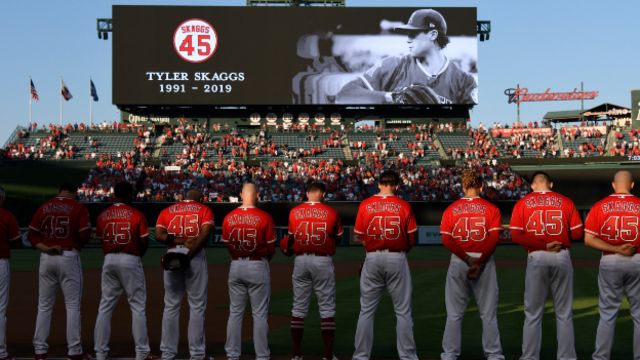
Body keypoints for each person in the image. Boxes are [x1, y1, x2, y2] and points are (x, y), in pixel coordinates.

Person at [509, 171, 583, 360]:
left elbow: (516, 235)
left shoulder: (522, 202)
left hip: (537, 256)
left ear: (533, 185)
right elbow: (577, 233)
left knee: (533, 313)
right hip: (561, 256)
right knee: (564, 312)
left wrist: (542, 244)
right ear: (551, 184)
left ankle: (529, 357)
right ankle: (567, 357)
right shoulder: (566, 201)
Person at [337, 9, 477, 105]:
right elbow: (343, 95)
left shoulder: (464, 80)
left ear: (433, 35)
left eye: (413, 34)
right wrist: (391, 97)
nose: (408, 39)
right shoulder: (395, 64)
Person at [352, 170, 419, 360]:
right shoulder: (403, 205)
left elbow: (361, 236)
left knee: (366, 310)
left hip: (372, 257)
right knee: (403, 311)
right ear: (396, 185)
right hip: (397, 257)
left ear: (379, 183)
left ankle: (361, 356)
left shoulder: (366, 205)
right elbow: (412, 238)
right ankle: (408, 357)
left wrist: (370, 253)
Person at [439, 170, 505, 360]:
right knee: (488, 314)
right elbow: (493, 240)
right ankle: (494, 355)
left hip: (459, 262)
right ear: (481, 186)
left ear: (463, 186)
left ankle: (449, 355)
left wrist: (467, 259)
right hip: (484, 261)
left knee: (454, 314)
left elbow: (447, 240)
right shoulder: (491, 209)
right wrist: (480, 261)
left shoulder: (451, 209)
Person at [28, 183, 92, 360]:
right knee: (72, 306)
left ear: (59, 192)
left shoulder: (44, 207)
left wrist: (47, 249)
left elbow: (32, 236)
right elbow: (85, 235)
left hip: (47, 257)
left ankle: (39, 350)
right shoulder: (78, 207)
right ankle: (74, 350)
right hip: (68, 256)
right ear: (73, 192)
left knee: (44, 305)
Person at [94, 182, 157, 360]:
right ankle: (142, 352)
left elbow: (100, 241)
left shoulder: (103, 215)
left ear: (114, 194)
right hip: (130, 258)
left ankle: (100, 352)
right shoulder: (136, 214)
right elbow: (144, 243)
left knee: (105, 306)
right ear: (129, 194)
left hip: (109, 259)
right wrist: (136, 257)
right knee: (137, 307)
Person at [281, 182, 343, 360]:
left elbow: (291, 240)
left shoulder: (295, 212)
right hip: (322, 260)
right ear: (323, 194)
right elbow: (337, 239)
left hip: (301, 260)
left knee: (299, 307)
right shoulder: (331, 212)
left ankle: (296, 354)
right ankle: (328, 355)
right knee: (327, 307)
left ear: (307, 193)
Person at [583, 170, 640, 359]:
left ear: (614, 185)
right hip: (638, 260)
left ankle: (601, 357)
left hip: (610, 260)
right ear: (632, 185)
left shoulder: (600, 206)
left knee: (607, 313)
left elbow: (589, 239)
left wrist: (616, 249)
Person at [155, 189, 214, 360]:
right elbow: (205, 233)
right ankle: (196, 354)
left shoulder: (167, 210)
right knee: (197, 306)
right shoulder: (204, 210)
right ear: (201, 198)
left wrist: (177, 241)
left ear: (184, 197)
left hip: (172, 254)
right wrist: (188, 255)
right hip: (193, 256)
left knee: (171, 305)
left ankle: (167, 353)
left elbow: (159, 235)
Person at [221, 182, 276, 360]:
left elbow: (228, 245)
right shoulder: (265, 217)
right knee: (259, 314)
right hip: (257, 265)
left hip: (236, 264)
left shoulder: (229, 216)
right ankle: (261, 355)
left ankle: (232, 354)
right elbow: (270, 249)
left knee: (235, 312)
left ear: (241, 195)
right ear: (257, 196)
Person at [0, 186, 20, 360]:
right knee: (0, 309)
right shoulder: (7, 216)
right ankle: (1, 352)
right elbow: (16, 242)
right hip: (0, 262)